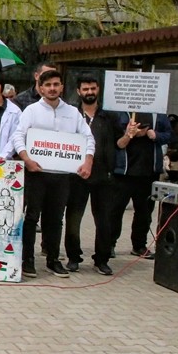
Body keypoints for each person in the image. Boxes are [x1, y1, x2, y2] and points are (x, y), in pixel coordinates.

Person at [11, 69, 95, 278]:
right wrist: (27, 160)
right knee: (31, 217)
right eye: (47, 85)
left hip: (62, 175)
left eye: (56, 84)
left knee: (56, 219)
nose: (52, 88)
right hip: (36, 173)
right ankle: (27, 260)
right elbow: (18, 137)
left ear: (61, 87)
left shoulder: (73, 113)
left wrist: (88, 161)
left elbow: (88, 138)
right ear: (40, 88)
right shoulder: (31, 110)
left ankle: (53, 260)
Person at [62, 74, 119, 275]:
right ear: (78, 91)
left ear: (98, 90)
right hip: (76, 176)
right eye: (85, 89)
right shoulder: (70, 115)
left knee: (104, 220)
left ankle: (101, 259)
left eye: (93, 88)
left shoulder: (109, 117)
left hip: (103, 176)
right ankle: (73, 257)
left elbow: (119, 144)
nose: (89, 92)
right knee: (73, 218)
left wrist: (129, 135)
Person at [111, 110, 172, 264]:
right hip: (124, 172)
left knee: (144, 213)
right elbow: (113, 138)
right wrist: (130, 134)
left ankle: (139, 245)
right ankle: (109, 243)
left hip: (148, 172)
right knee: (115, 210)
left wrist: (155, 135)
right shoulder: (120, 111)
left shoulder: (158, 112)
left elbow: (169, 135)